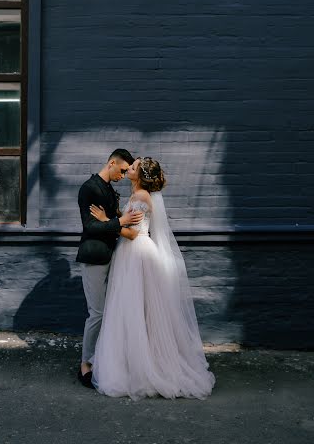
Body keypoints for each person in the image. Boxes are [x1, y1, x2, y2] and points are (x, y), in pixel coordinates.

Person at [89, 157, 216, 400]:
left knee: (137, 308)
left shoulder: (142, 197)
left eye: (134, 167)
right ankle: (133, 361)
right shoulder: (138, 195)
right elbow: (129, 223)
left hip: (137, 253)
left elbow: (133, 234)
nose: (129, 168)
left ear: (141, 176)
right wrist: (116, 215)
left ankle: (144, 367)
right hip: (131, 253)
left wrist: (107, 222)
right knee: (132, 308)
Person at [76, 149, 144, 388]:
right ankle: (85, 363)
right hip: (94, 257)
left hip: (112, 256)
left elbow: (112, 222)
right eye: (123, 170)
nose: (124, 175)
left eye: (128, 171)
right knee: (98, 313)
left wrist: (116, 219)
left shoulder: (109, 190)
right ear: (112, 163)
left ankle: (104, 359)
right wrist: (119, 222)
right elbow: (90, 226)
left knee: (112, 311)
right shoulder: (89, 188)